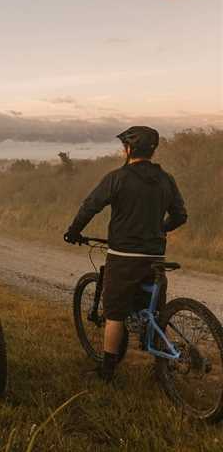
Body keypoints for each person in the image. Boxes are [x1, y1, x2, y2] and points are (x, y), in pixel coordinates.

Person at [63, 126, 187, 381]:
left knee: (115, 314)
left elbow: (90, 207)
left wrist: (73, 231)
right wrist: (159, 228)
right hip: (155, 255)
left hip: (124, 256)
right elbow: (180, 216)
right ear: (152, 150)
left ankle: (106, 371)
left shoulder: (117, 177)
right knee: (153, 312)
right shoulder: (166, 179)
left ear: (128, 149)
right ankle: (160, 366)